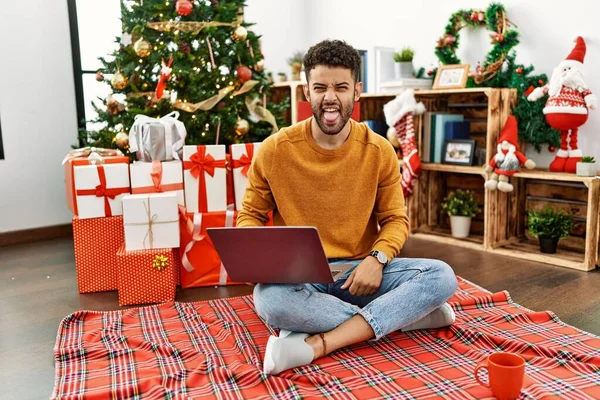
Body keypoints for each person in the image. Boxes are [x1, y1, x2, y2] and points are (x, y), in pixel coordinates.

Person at [236, 39, 458, 375]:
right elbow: (250, 216)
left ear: (356, 91)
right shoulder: (274, 150)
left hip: (362, 273)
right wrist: (260, 256)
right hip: (300, 277)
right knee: (271, 301)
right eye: (320, 87)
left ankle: (320, 343)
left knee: (441, 276)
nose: (330, 97)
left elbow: (396, 220)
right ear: (306, 93)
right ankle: (404, 317)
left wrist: (377, 258)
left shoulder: (380, 150)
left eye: (340, 87)